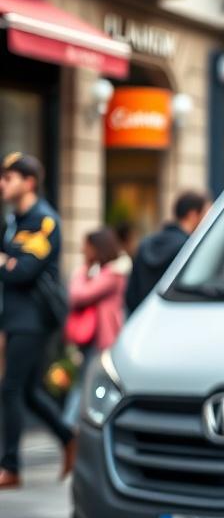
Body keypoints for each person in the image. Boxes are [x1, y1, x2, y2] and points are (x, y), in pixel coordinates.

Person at [0, 152, 76, 490]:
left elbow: (24, 272)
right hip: (14, 317)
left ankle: (11, 467)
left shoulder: (44, 220)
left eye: (8, 178)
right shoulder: (14, 222)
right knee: (28, 392)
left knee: (11, 388)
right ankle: (68, 436)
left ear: (28, 182)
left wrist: (9, 264)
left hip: (33, 318)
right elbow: (12, 269)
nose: (2, 184)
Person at [64, 227, 127, 424]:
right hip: (92, 340)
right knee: (86, 384)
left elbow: (78, 295)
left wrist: (81, 271)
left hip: (104, 341)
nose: (83, 251)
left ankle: (71, 425)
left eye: (87, 247)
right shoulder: (101, 273)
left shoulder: (112, 275)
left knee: (88, 385)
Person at [125, 191, 208, 315]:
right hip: (174, 320)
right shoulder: (189, 249)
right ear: (193, 215)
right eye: (205, 214)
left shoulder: (146, 243)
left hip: (145, 319)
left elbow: (131, 294)